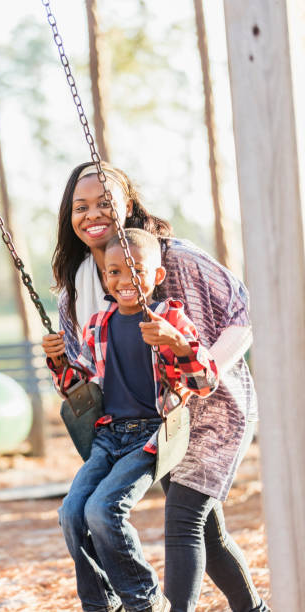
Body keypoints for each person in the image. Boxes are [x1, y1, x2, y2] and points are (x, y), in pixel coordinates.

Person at [48, 161, 270, 611]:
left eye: (104, 202)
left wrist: (204, 363)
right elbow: (81, 374)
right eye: (80, 206)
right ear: (68, 217)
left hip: (213, 407)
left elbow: (243, 313)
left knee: (184, 520)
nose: (92, 214)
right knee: (208, 532)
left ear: (127, 204)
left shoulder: (171, 258)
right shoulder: (76, 288)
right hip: (143, 422)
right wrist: (59, 365)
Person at [43, 228, 219, 612]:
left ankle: (145, 600)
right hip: (108, 437)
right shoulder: (97, 325)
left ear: (156, 276)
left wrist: (176, 342)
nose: (125, 280)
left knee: (103, 510)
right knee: (72, 513)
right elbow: (79, 386)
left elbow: (206, 382)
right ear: (105, 276)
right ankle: (101, 602)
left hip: (150, 438)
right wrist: (58, 360)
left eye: (136, 270)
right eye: (115, 272)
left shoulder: (171, 319)